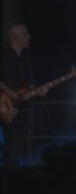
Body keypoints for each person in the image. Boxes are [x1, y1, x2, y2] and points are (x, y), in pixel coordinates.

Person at [0, 25, 48, 167]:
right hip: (6, 104)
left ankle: (13, 171)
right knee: (12, 142)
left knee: (17, 142)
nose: (29, 37)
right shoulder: (4, 55)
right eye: (25, 34)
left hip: (21, 106)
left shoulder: (25, 57)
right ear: (16, 38)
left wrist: (38, 91)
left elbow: (27, 84)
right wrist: (10, 92)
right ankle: (9, 174)